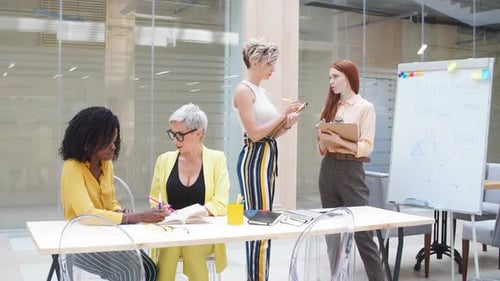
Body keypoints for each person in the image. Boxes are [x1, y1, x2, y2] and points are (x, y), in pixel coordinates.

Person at [59, 106, 167, 281]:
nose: (113, 147)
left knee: (149, 270)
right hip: (80, 242)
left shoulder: (105, 164)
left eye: (115, 141)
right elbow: (87, 215)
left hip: (108, 236)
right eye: (108, 142)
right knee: (129, 272)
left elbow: (110, 203)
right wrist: (136, 217)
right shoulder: (72, 168)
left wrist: (118, 211)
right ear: (88, 142)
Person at [233, 37, 301, 281]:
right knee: (261, 223)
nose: (273, 69)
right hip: (254, 158)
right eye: (270, 63)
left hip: (266, 156)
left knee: (264, 223)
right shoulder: (243, 90)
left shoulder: (260, 91)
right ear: (254, 61)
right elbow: (254, 133)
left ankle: (259, 277)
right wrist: (281, 115)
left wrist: (287, 124)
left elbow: (269, 133)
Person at [316, 59, 384, 281]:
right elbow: (322, 149)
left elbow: (366, 147)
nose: (331, 82)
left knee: (363, 232)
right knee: (333, 235)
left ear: (349, 78)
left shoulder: (365, 107)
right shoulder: (331, 107)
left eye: (335, 77)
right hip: (328, 170)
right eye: (330, 77)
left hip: (352, 171)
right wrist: (323, 136)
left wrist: (340, 140)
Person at [149, 103, 229, 281]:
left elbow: (221, 203)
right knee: (171, 245)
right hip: (170, 230)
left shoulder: (217, 159)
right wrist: (161, 208)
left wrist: (196, 212)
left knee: (190, 244)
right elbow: (154, 199)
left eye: (180, 135)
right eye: (172, 134)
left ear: (198, 133)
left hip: (203, 233)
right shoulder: (164, 160)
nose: (175, 140)